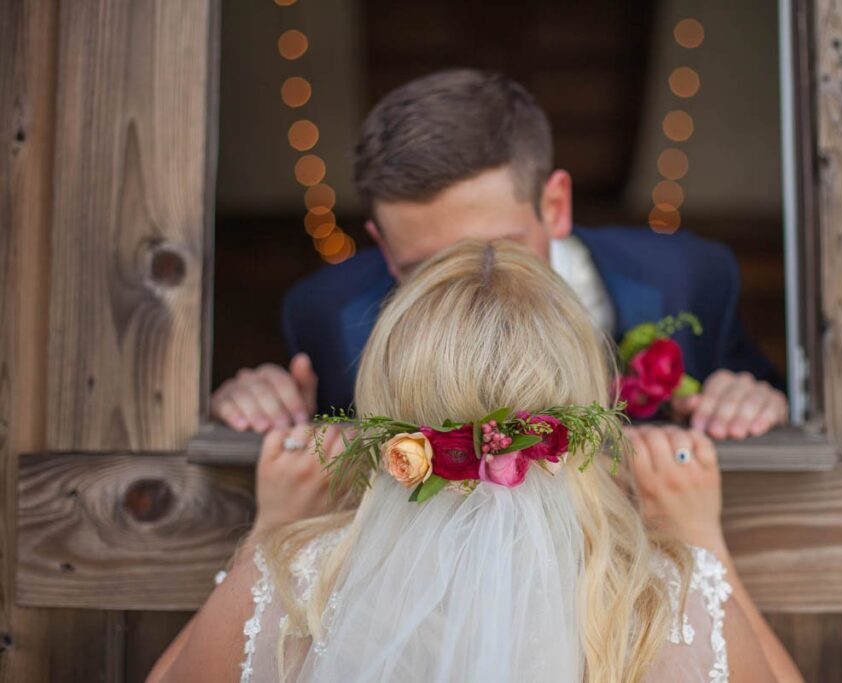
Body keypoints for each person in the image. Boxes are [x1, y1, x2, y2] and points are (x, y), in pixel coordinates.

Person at [150, 241, 801, 682]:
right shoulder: (670, 604)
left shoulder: (289, 588)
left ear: (383, 407)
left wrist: (268, 529)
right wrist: (702, 540)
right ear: (591, 410)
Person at [211, 69, 788, 442]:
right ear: (384, 247)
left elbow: (773, 402)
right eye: (424, 266)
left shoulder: (688, 278)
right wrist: (259, 410)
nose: (471, 280)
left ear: (555, 203)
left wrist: (752, 404)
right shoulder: (324, 313)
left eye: (497, 250)